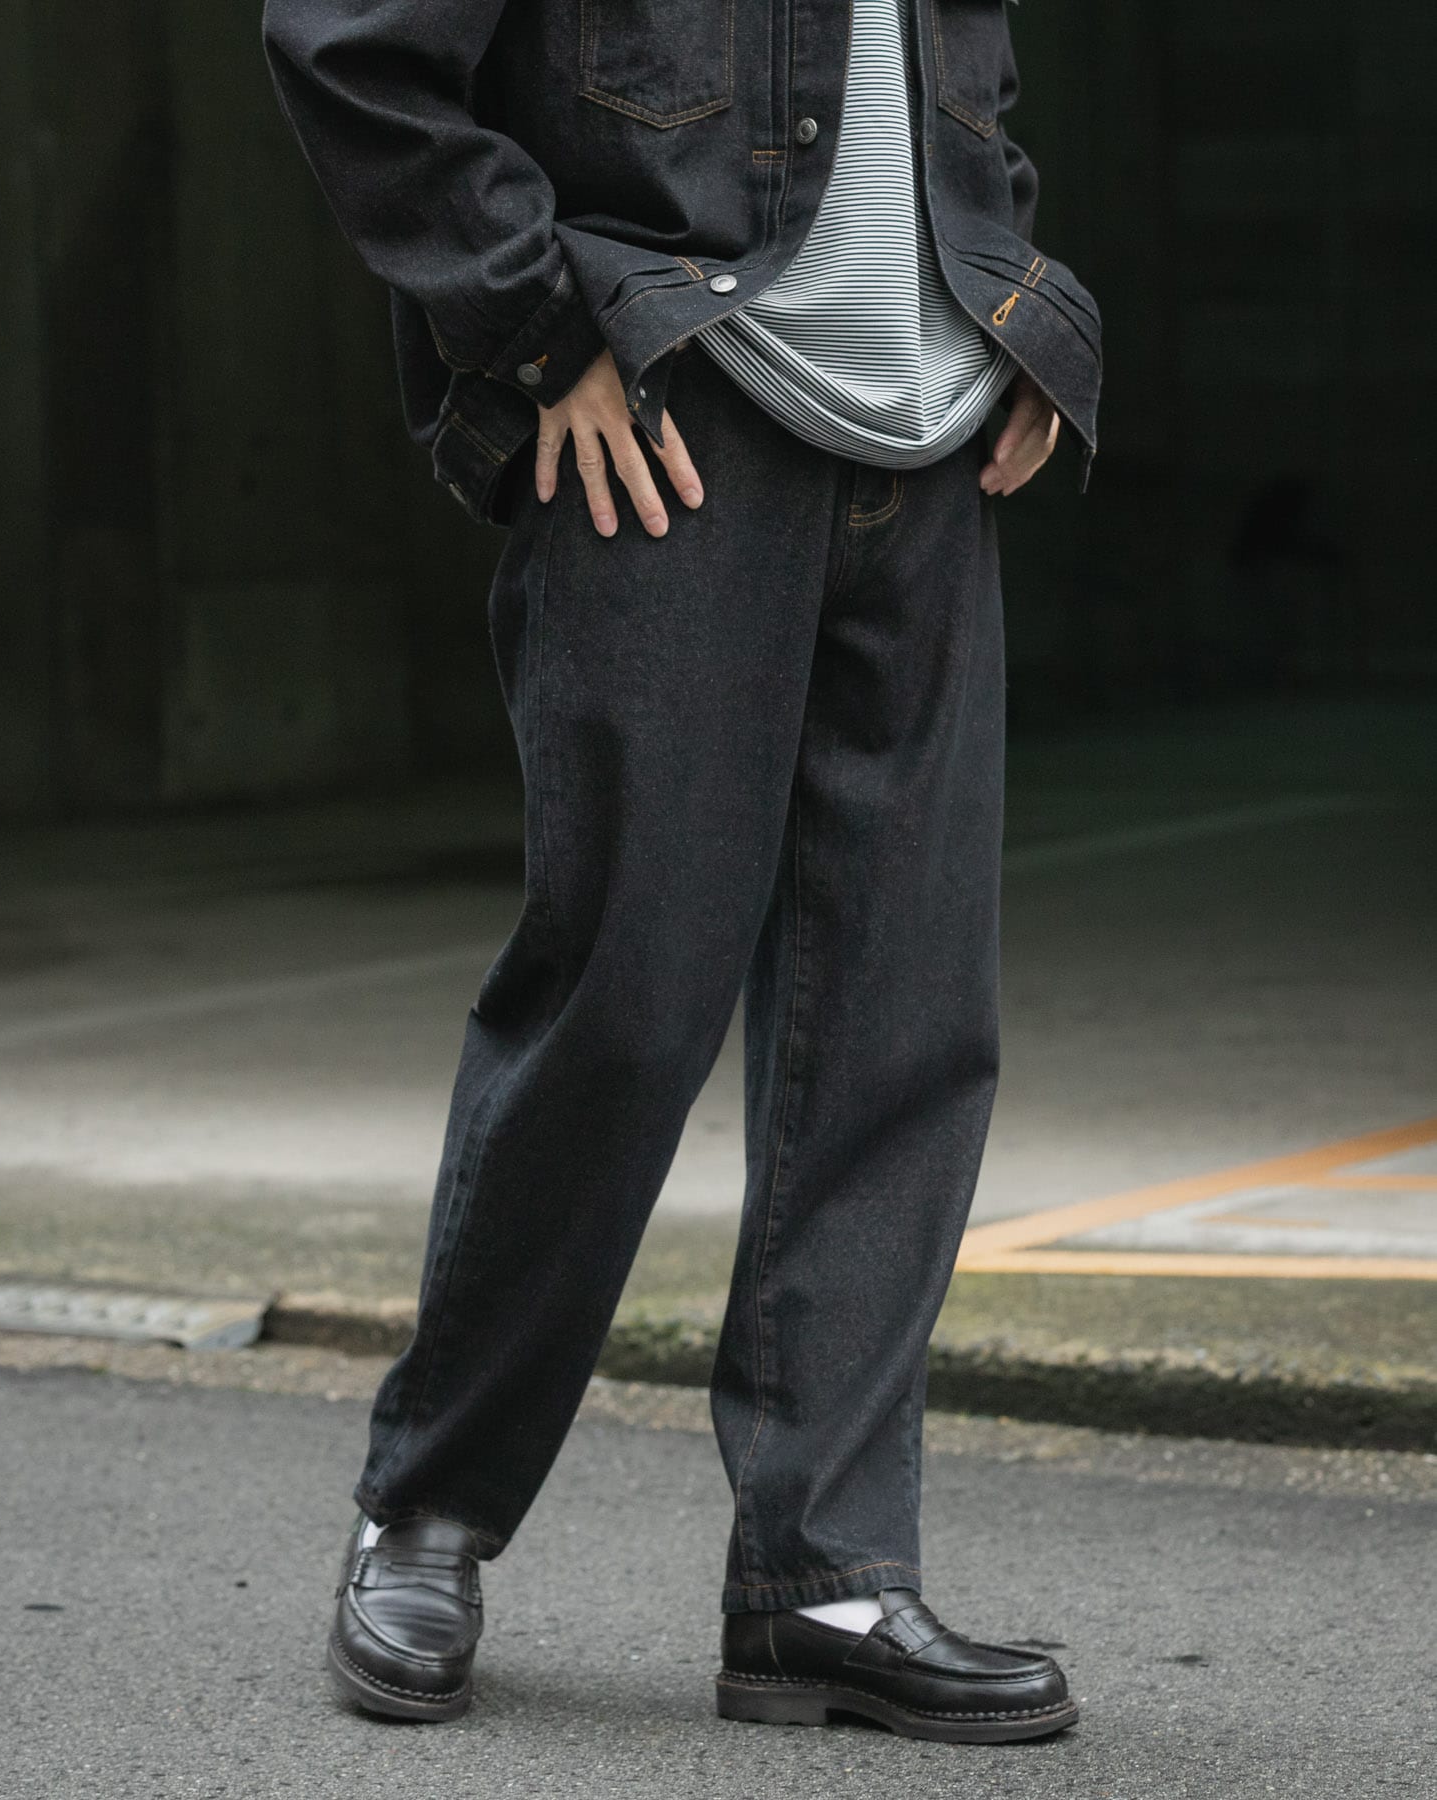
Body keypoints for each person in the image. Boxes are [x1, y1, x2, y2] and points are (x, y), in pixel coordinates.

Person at [261, 0, 1101, 1744]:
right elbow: (349, 45)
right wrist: (532, 325)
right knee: (626, 999)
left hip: (930, 444)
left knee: (901, 1026)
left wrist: (1011, 294)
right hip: (669, 415)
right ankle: (429, 1509)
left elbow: (962, 75)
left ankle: (823, 1580)